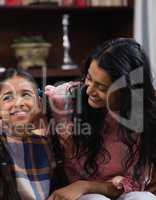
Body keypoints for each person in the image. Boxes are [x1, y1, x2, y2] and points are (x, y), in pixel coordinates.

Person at [45, 38, 156, 200]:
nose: (89, 90)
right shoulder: (65, 101)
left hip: (126, 193)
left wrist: (85, 185)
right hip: (82, 197)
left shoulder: (148, 113)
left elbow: (134, 185)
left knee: (142, 198)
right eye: (89, 78)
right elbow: (19, 112)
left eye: (102, 87)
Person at [0, 68, 65, 200]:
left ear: (39, 103)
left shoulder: (49, 142)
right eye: (8, 97)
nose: (18, 103)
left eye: (26, 94)